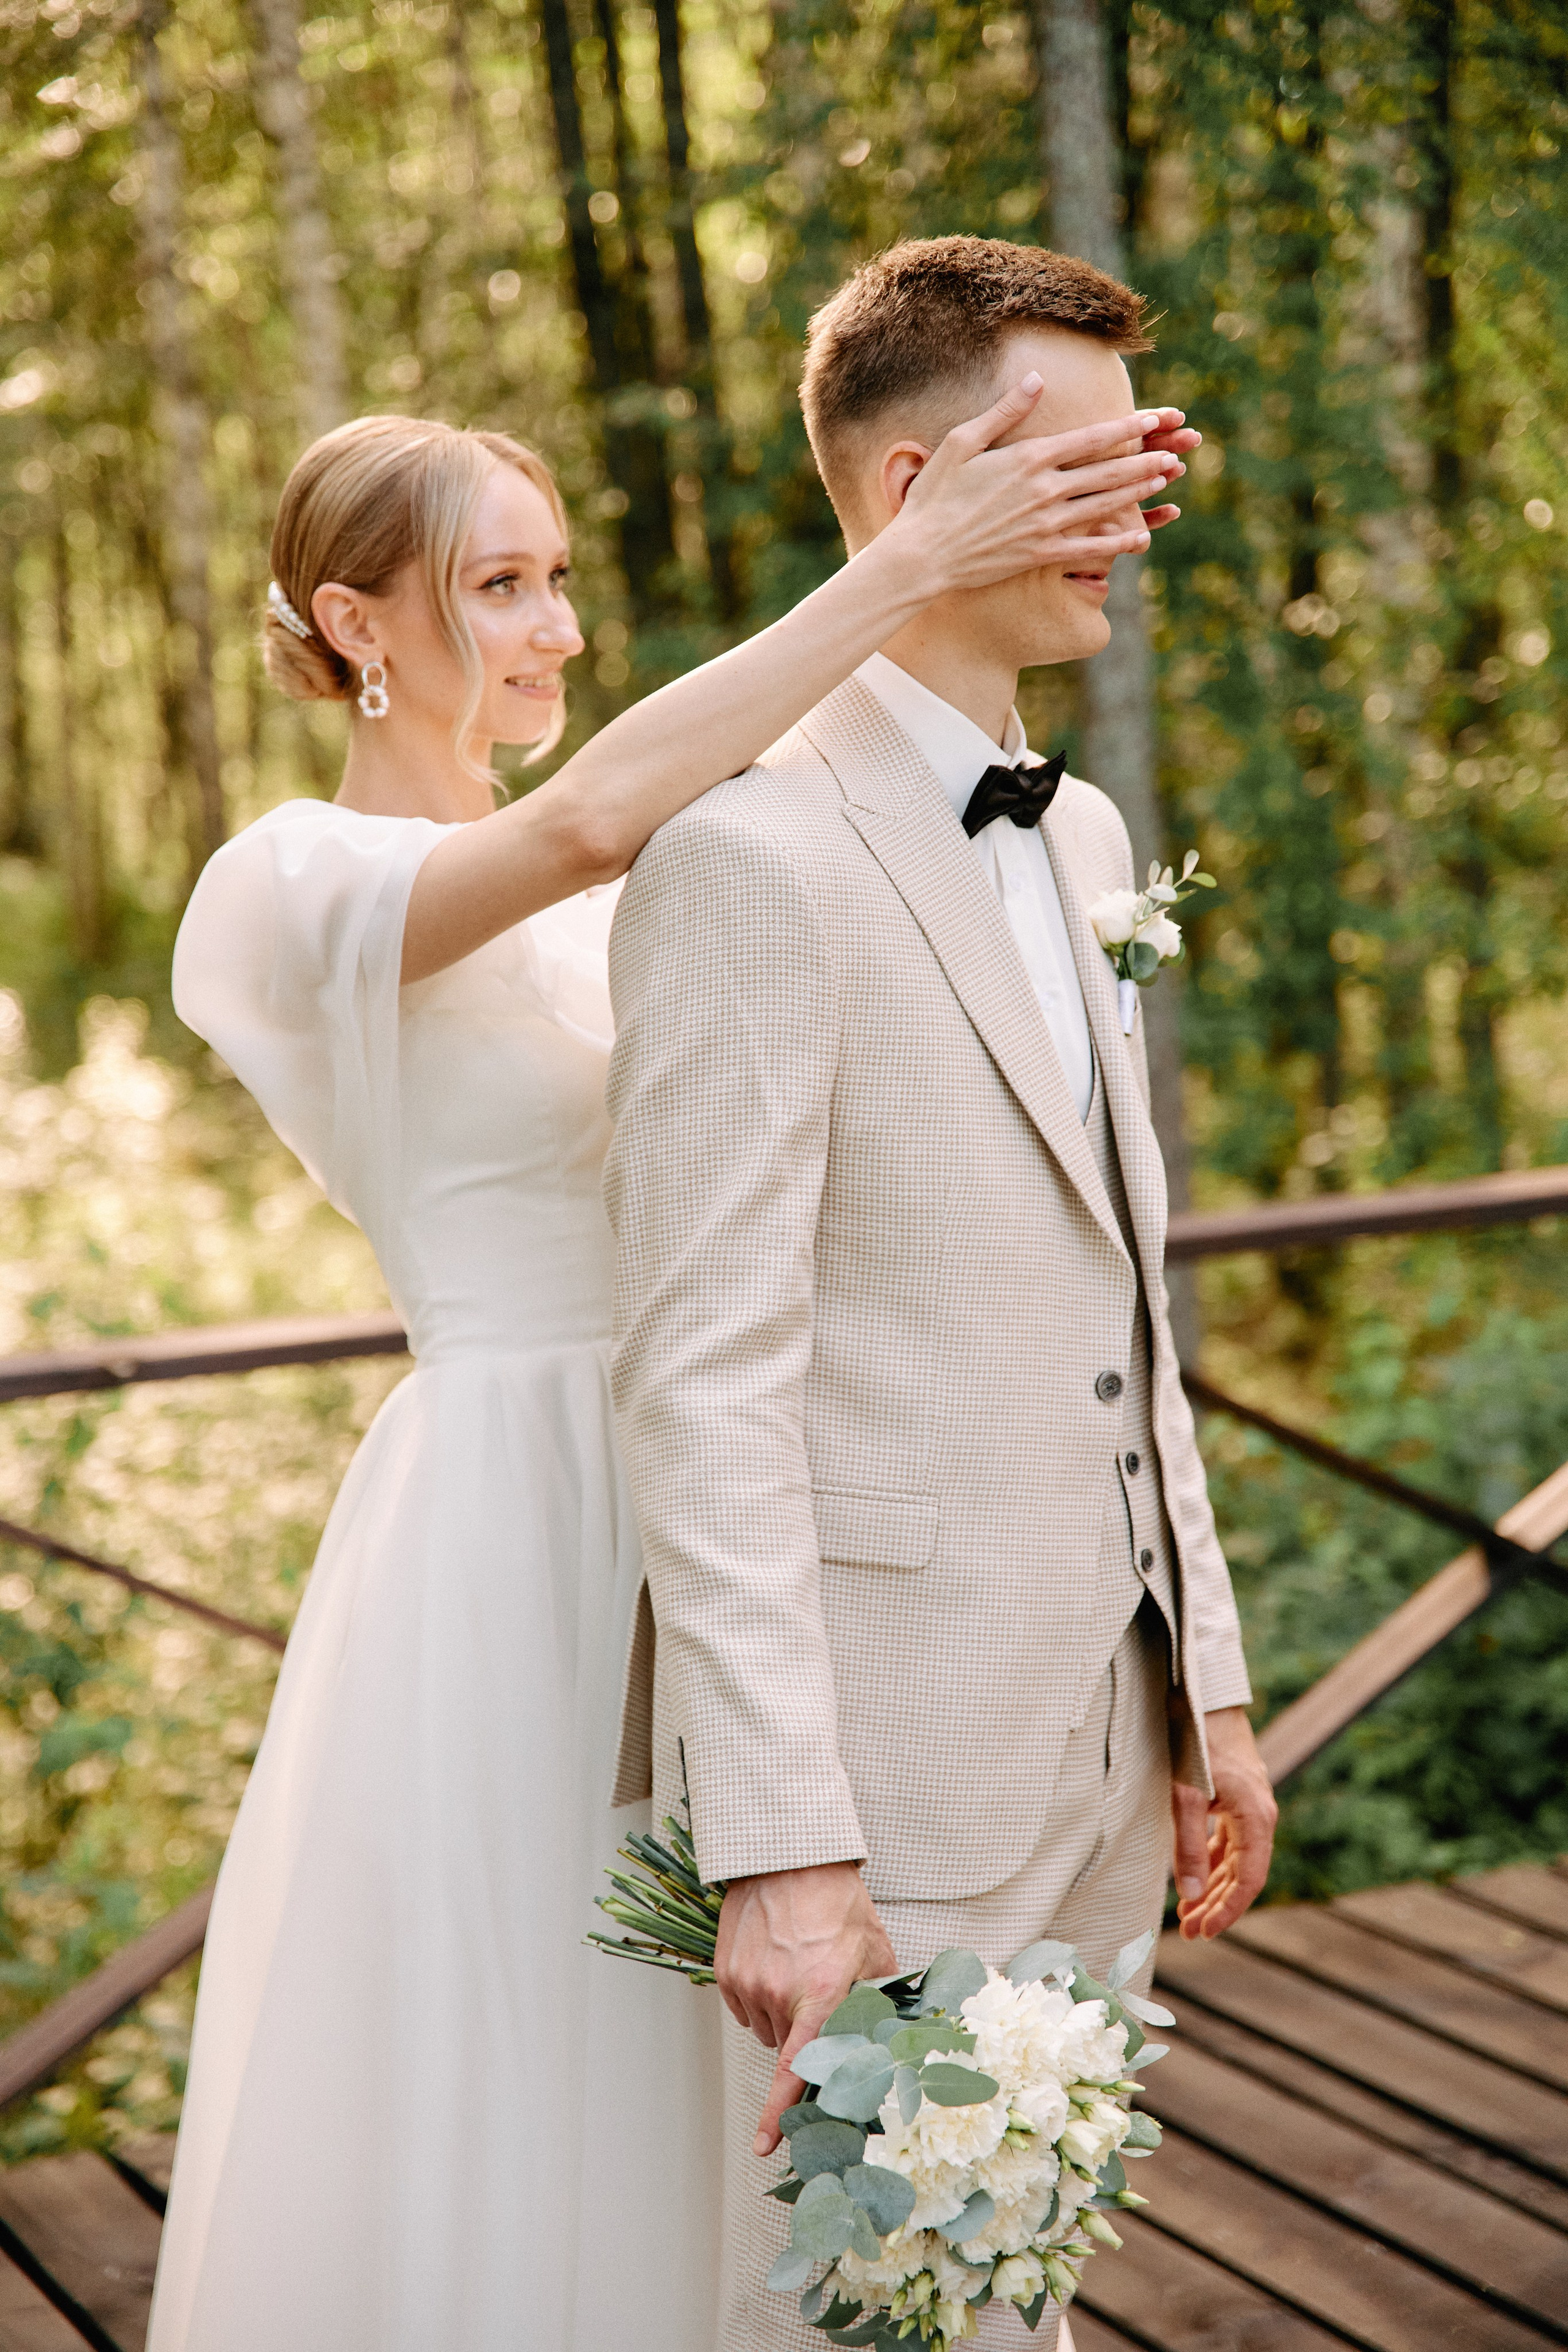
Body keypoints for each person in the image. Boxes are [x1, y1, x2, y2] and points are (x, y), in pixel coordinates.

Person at [146, 391, 1193, 2352]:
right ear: (356, 622)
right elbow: (591, 816)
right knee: (540, 2046)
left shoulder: (659, 884)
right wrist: (904, 569)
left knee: (756, 2074)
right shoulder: (285, 893)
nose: (551, 629)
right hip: (518, 1505)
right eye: (497, 587)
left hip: (730, 1496)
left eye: (559, 582)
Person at [603, 236, 1278, 2352]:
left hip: (1104, 1730)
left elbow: (1126, 1293)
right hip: (892, 1771)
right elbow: (702, 1383)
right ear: (916, 497)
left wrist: (1216, 1688)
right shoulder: (748, 861)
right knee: (862, 2321)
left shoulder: (1084, 833)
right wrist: (783, 1839)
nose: (1137, 507)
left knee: (1017, 2294)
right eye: (1074, 462)